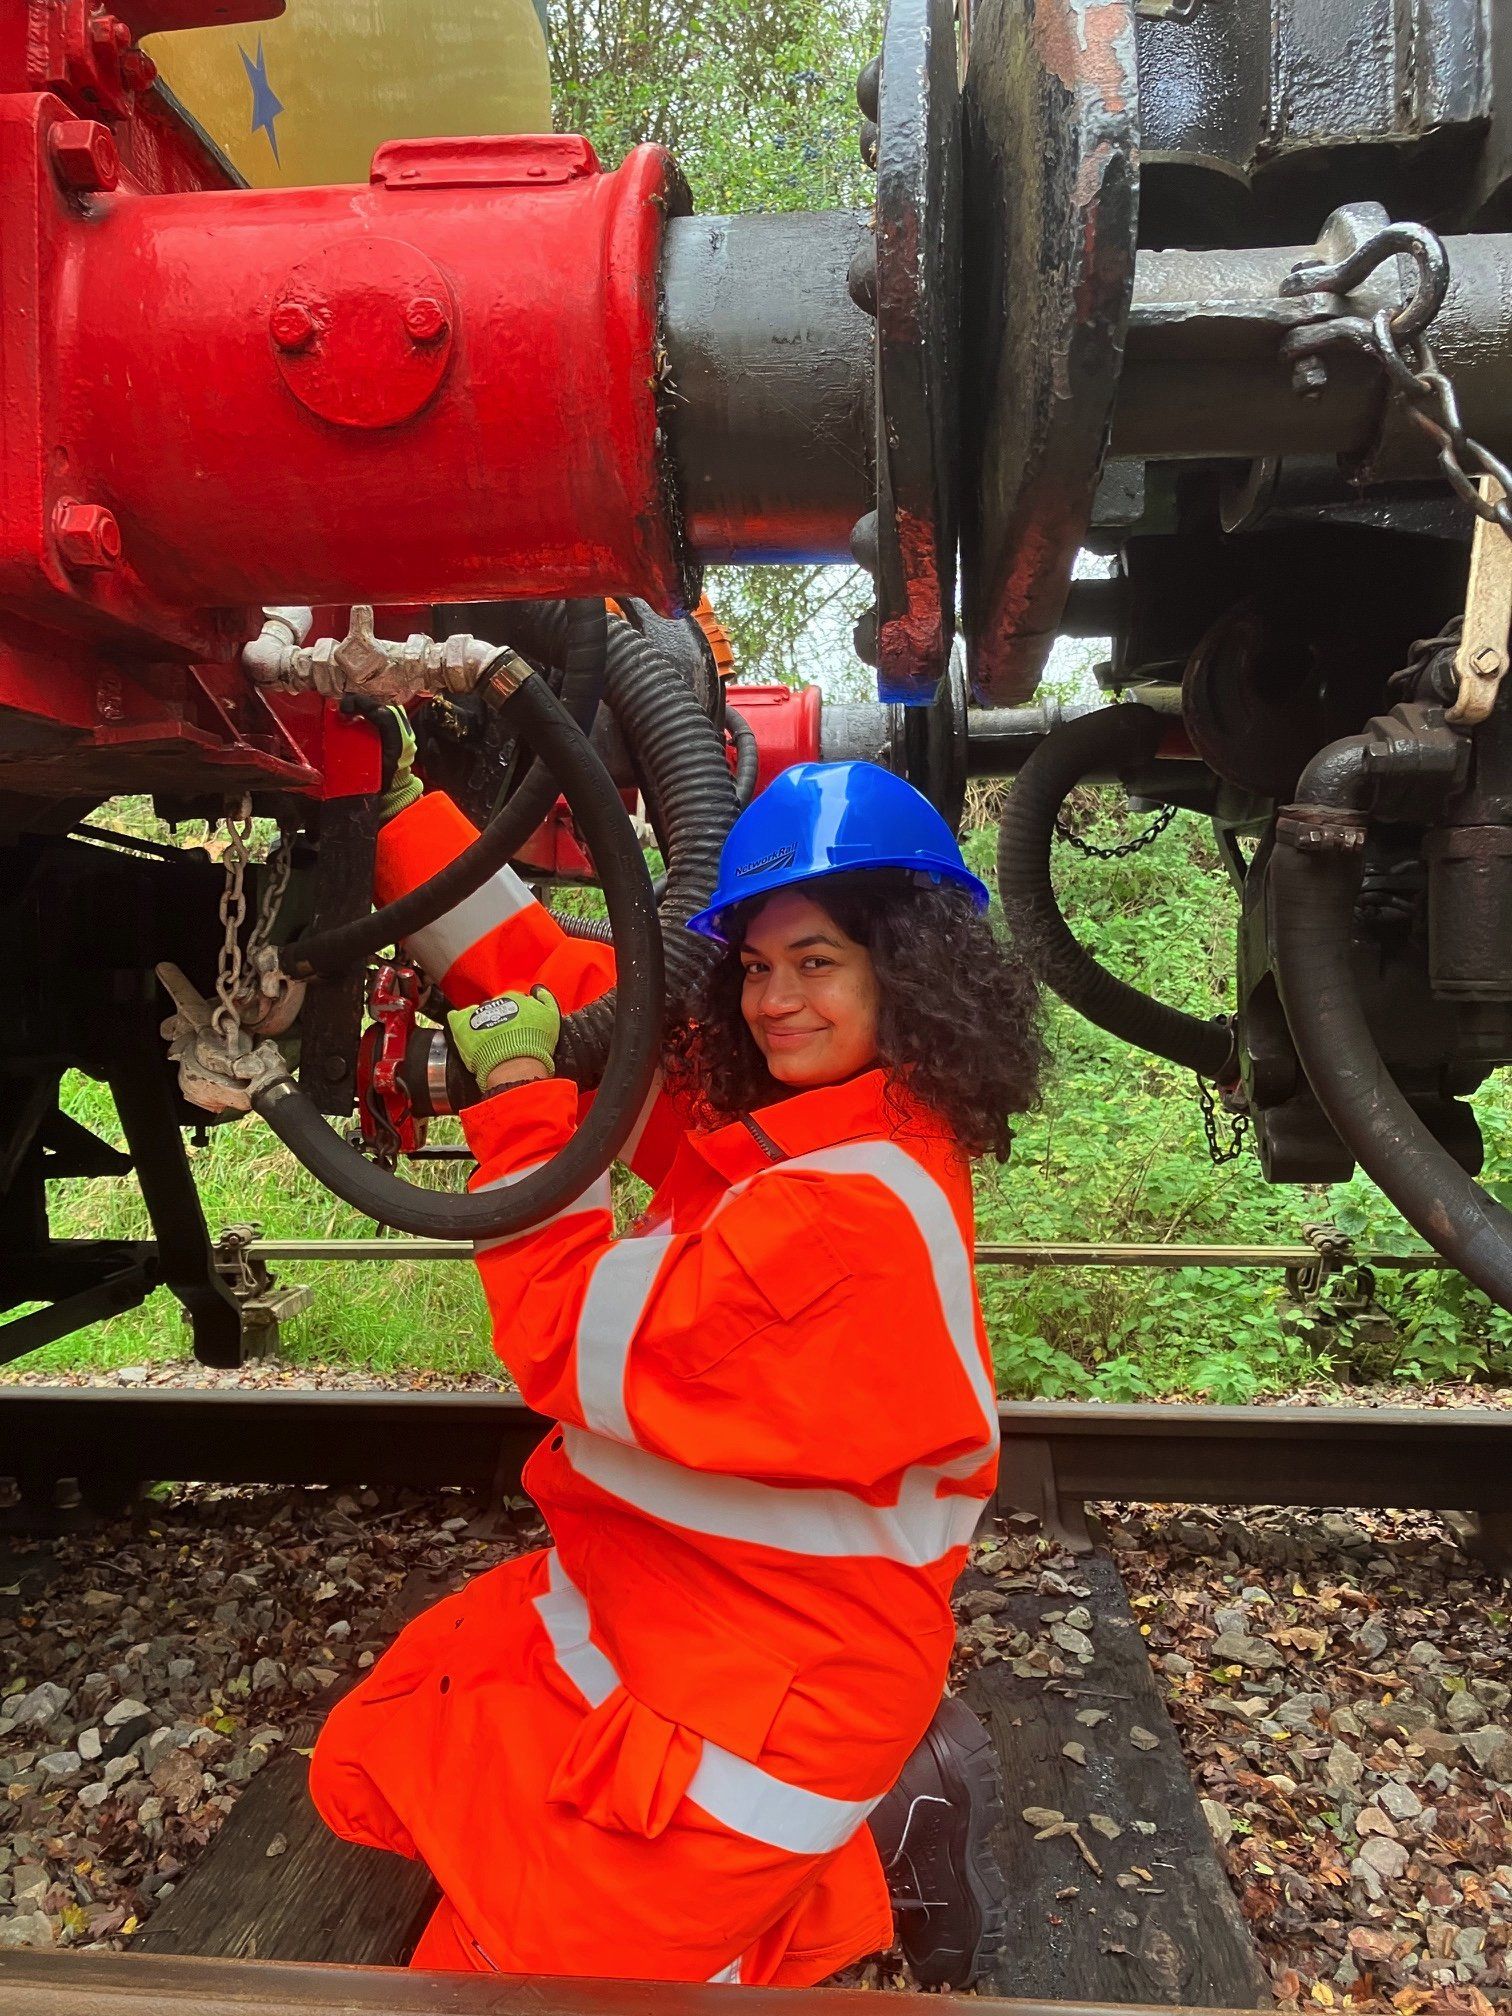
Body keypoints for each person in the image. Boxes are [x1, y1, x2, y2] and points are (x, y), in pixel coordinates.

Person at [310, 732, 1044, 1988]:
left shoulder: (839, 1218)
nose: (773, 1001)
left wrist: (521, 1092)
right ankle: (843, 1844)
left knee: (529, 1973)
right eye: (754, 967)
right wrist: (391, 813)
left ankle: (859, 1835)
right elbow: (585, 994)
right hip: (702, 1629)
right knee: (403, 1735)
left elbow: (562, 1330)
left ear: (907, 973)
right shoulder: (835, 1121)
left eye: (817, 963)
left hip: (774, 1709)